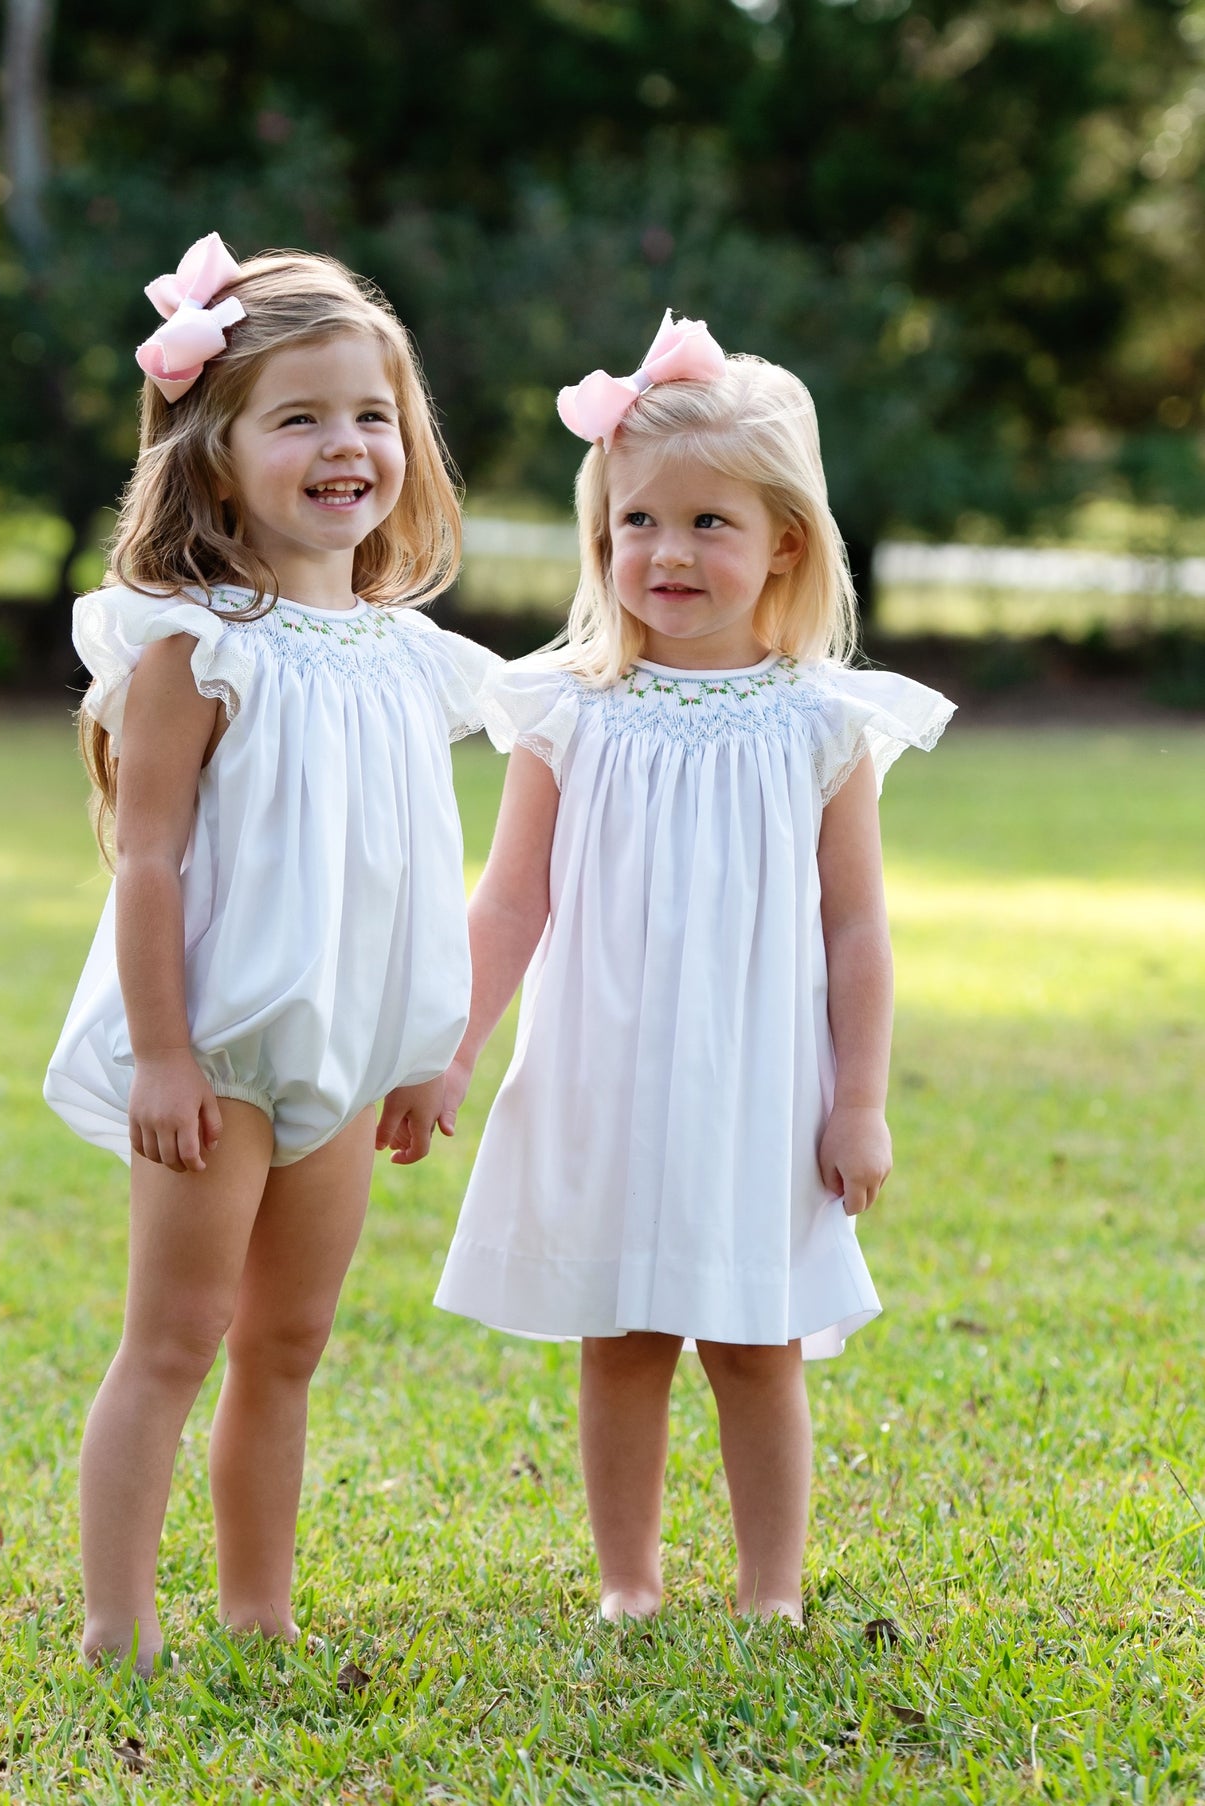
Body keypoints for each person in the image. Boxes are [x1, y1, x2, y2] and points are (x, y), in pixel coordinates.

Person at [428, 312, 955, 1625]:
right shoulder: (569, 709)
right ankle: (627, 1580)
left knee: (755, 1342)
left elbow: (855, 933)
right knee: (622, 1336)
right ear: (598, 536)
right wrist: (449, 1048)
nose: (666, 551)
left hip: (760, 1085)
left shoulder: (821, 725)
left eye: (709, 523)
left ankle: (769, 1588)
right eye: (636, 522)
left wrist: (858, 1097)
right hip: (606, 1071)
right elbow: (507, 903)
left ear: (784, 539)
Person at [44, 234, 497, 1670]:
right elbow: (150, 858)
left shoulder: (411, 656)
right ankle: (119, 1622)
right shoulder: (195, 645)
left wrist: (425, 1047)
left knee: (287, 1347)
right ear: (215, 451)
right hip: (222, 1046)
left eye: (370, 415)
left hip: (355, 1051)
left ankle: (260, 1610)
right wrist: (163, 1056)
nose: (343, 445)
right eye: (297, 417)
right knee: (173, 1339)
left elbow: (416, 873)